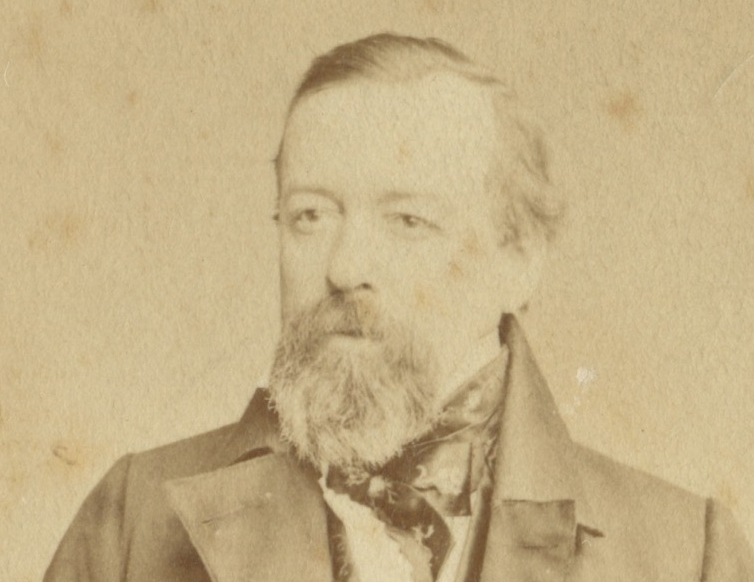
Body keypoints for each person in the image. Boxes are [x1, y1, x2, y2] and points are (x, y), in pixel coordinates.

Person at [44, 33, 754, 582]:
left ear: (519, 259)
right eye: (311, 215)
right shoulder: (132, 522)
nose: (346, 267)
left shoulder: (685, 555)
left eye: (407, 220)